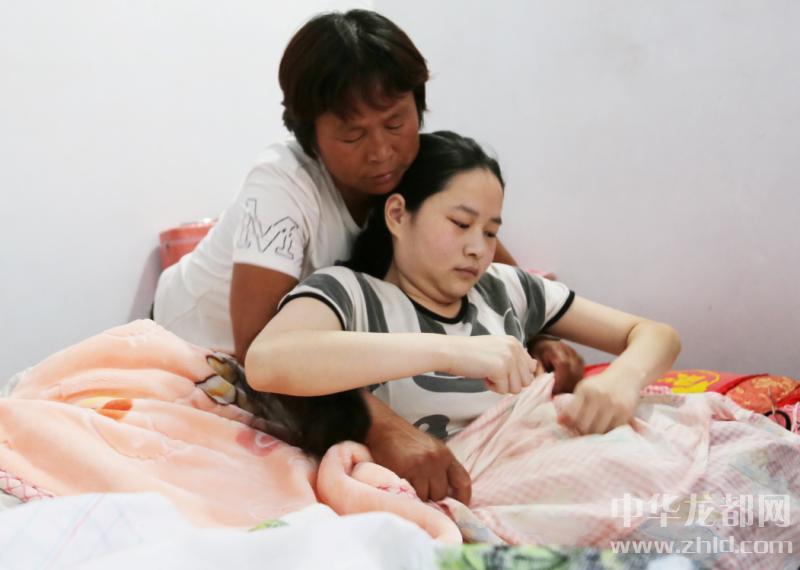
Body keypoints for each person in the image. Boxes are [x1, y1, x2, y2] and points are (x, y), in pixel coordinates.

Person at [153, 9, 583, 502]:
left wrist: (541, 335)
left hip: (311, 349)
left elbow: (490, 266)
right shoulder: (282, 185)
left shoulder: (413, 162)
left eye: (396, 122)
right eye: (352, 135)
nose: (381, 152)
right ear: (309, 136)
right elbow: (257, 353)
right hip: (199, 344)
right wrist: (381, 427)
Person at [245, 131, 682, 502]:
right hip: (488, 488)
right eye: (460, 223)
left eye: (490, 232)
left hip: (560, 460)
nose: (478, 248)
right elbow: (267, 361)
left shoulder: (507, 288)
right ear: (397, 215)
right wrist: (451, 351)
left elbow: (654, 334)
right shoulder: (350, 294)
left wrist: (623, 379)